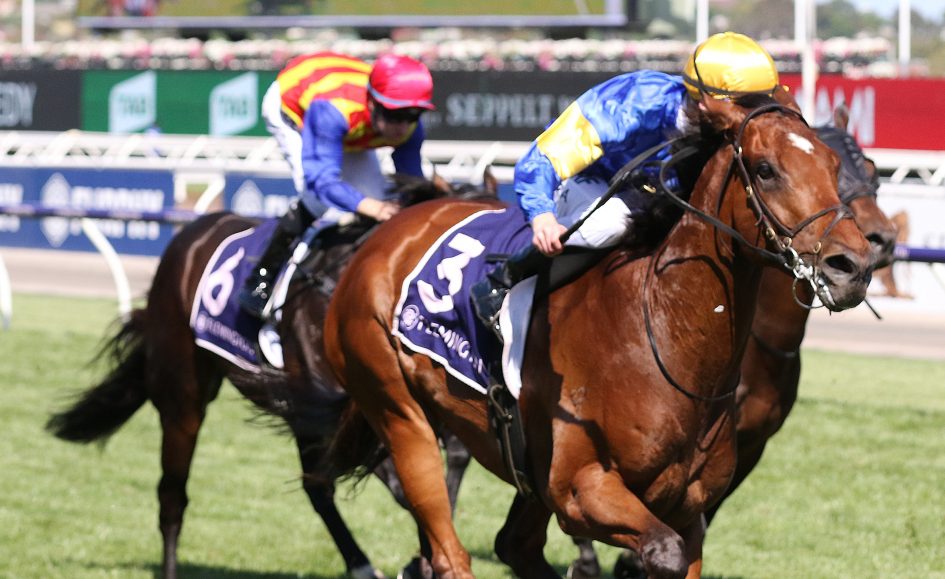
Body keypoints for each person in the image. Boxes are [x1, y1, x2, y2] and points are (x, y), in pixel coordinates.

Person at [470, 31, 781, 338]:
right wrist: (542, 216)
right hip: (596, 184)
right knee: (613, 223)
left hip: (657, 198)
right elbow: (543, 157)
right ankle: (504, 281)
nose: (753, 114)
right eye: (744, 104)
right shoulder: (638, 100)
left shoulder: (730, 128)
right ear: (705, 101)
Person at [240, 51, 435, 318]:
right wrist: (372, 207)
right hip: (294, 108)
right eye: (395, 115)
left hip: (350, 124)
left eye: (413, 115)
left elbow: (412, 184)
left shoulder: (409, 128)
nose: (402, 127)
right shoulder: (333, 111)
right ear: (373, 104)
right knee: (319, 201)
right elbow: (322, 181)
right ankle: (262, 277)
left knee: (376, 197)